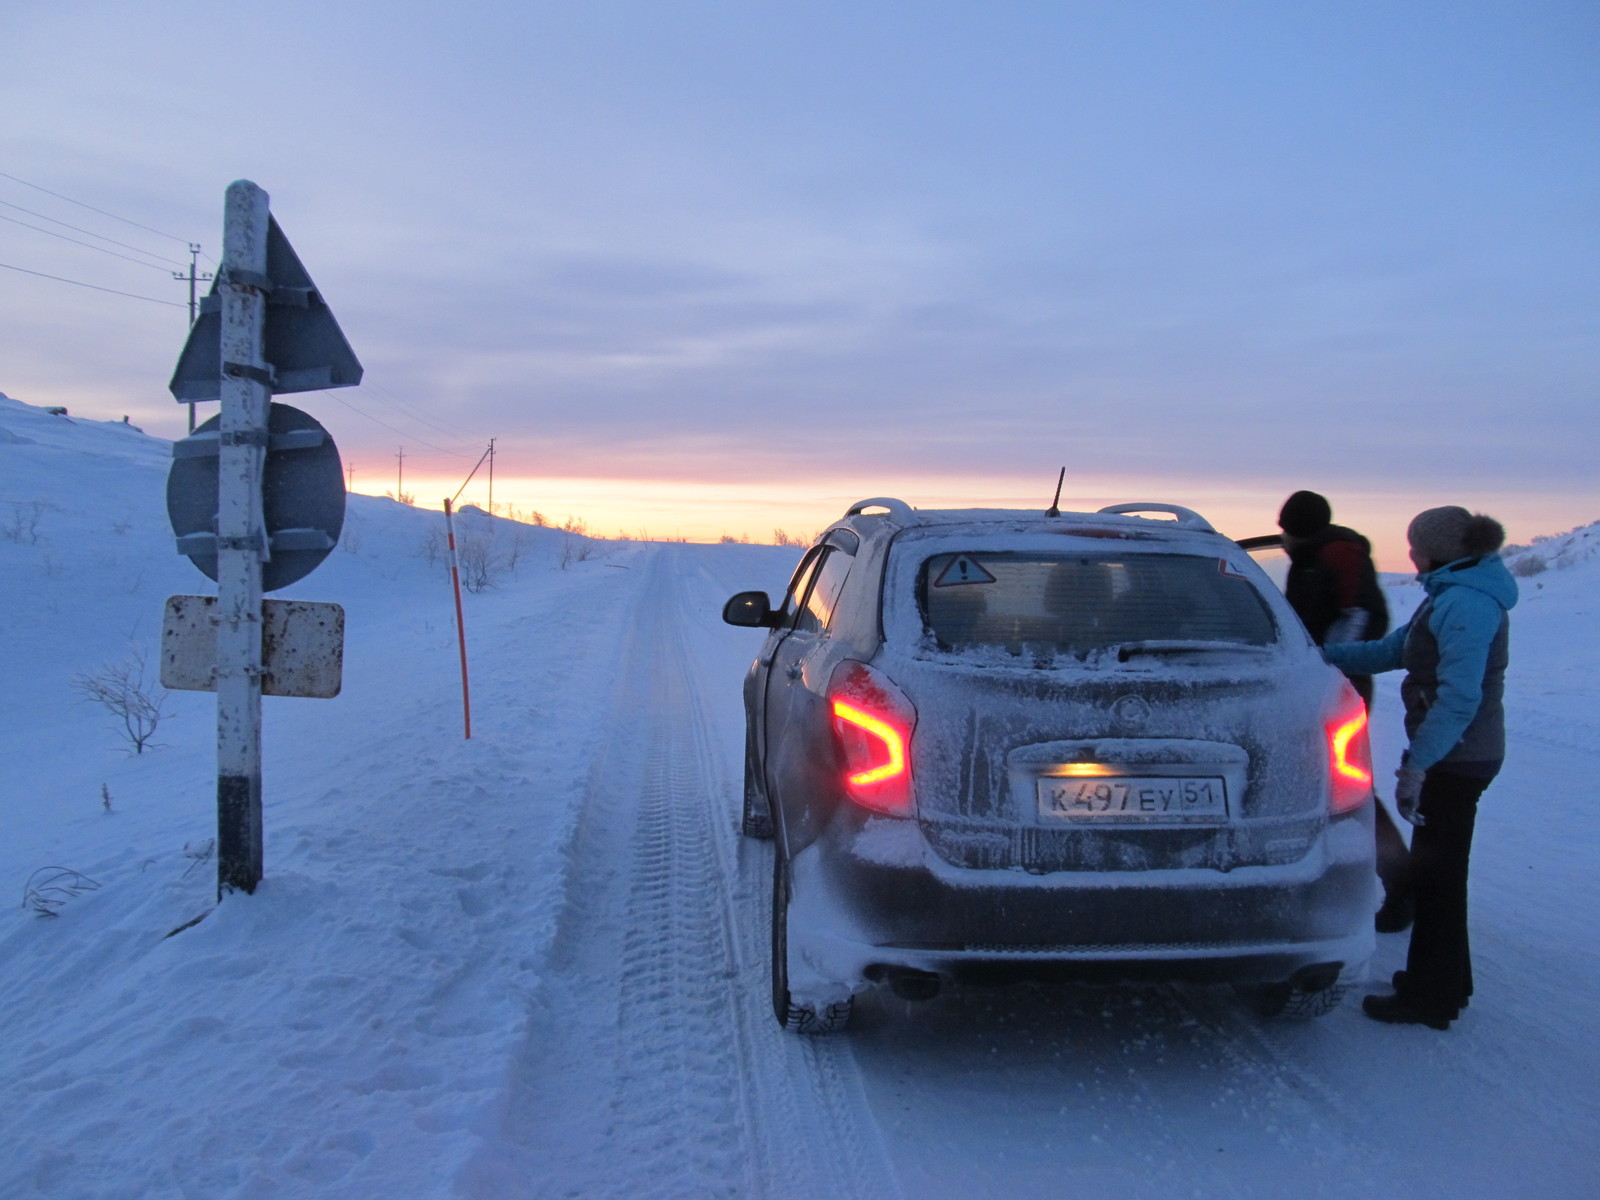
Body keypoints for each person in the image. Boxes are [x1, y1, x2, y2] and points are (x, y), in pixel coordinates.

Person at [1322, 506, 1515, 1030]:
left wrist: (1418, 765)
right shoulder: (1451, 597)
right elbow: (1393, 650)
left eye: (1415, 545)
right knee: (1441, 875)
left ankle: (1432, 999)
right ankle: (1448, 982)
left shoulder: (1466, 605)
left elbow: (1459, 698)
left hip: (1458, 758)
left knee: (1439, 878)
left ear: (1436, 550)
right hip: (1456, 755)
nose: (1410, 553)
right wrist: (1320, 655)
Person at [1276, 491, 1411, 930]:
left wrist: (1323, 665)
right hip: (1309, 685)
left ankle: (1404, 887)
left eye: (1287, 528)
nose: (1282, 537)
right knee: (1313, 784)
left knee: (1344, 790)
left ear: (1299, 527)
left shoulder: (1337, 554)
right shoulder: (1316, 556)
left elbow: (1360, 617)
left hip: (1333, 689)